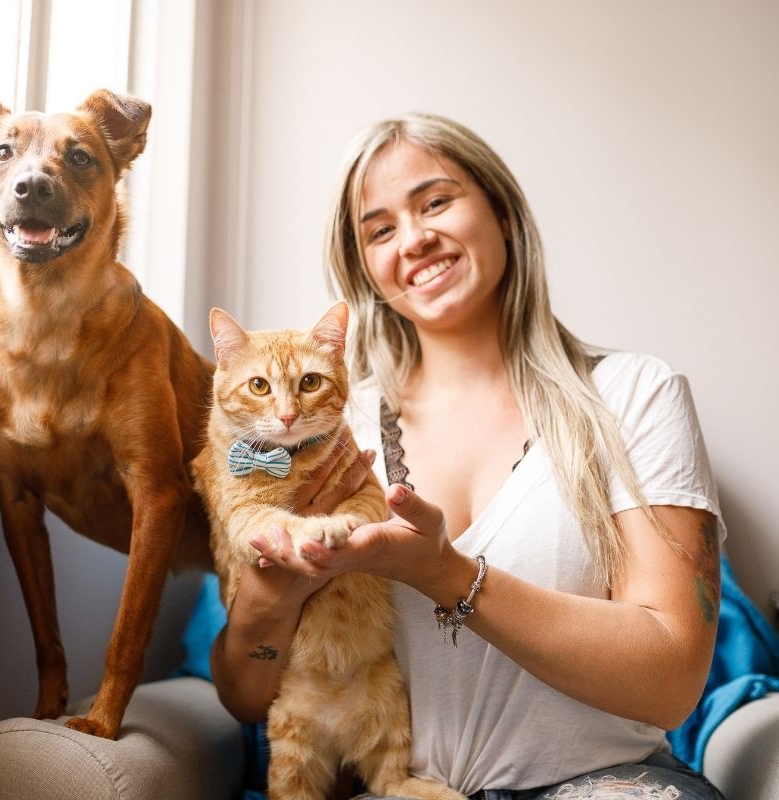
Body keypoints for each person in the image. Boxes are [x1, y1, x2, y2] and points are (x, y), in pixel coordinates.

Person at [210, 113, 727, 799]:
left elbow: (671, 686)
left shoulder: (633, 394)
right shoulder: (314, 425)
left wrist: (446, 573)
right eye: (380, 229)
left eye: (436, 201)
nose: (415, 238)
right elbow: (247, 695)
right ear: (365, 266)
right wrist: (273, 596)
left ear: (502, 212)